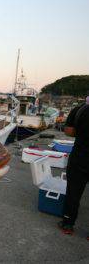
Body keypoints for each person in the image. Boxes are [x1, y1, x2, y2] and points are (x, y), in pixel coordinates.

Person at [58, 96, 89, 238]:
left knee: (74, 192)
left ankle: (68, 224)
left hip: (80, 157)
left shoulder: (79, 110)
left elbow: (69, 132)